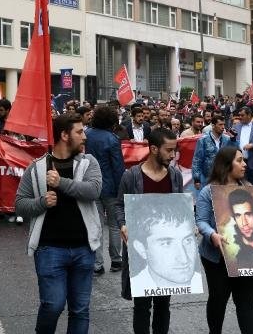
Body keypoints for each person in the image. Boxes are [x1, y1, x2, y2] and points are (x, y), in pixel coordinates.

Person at [15, 113, 102, 334]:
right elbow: (20, 205)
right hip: (49, 249)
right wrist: (42, 202)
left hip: (84, 249)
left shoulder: (88, 163)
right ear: (64, 135)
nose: (84, 137)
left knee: (80, 309)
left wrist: (61, 182)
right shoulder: (36, 168)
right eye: (79, 132)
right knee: (52, 306)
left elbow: (93, 191)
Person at [196, 146, 253, 334]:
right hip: (216, 258)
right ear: (226, 165)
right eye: (239, 160)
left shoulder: (250, 189)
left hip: (248, 257)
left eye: (244, 160)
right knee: (218, 300)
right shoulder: (207, 191)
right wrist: (212, 234)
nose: (244, 164)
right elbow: (201, 221)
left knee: (246, 303)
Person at [115, 128, 188, 333]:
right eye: (169, 150)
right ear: (154, 149)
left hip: (168, 252)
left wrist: (186, 226)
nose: (173, 155)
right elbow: (119, 205)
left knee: (164, 305)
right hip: (142, 250)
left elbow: (178, 207)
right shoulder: (132, 176)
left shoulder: (175, 176)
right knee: (142, 306)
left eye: (174, 150)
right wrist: (123, 224)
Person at [127, 197, 201, 290]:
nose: (184, 258)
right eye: (167, 243)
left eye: (188, 240)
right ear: (141, 249)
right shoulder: (138, 285)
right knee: (143, 303)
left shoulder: (197, 280)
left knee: (163, 302)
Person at [85, 106, 125, 275]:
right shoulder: (112, 139)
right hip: (110, 187)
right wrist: (121, 189)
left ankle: (97, 263)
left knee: (96, 225)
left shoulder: (86, 135)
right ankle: (116, 260)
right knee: (115, 226)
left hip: (91, 185)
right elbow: (118, 167)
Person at [192, 116, 237, 190]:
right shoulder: (203, 140)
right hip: (208, 178)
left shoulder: (227, 139)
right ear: (213, 125)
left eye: (224, 125)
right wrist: (197, 179)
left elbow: (236, 152)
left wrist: (233, 140)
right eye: (220, 125)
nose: (223, 127)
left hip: (224, 177)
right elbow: (197, 159)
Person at [232, 106, 253, 185]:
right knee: (240, 185)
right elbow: (232, 141)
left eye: (242, 115)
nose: (240, 117)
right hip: (239, 162)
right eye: (239, 115)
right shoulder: (236, 126)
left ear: (249, 115)